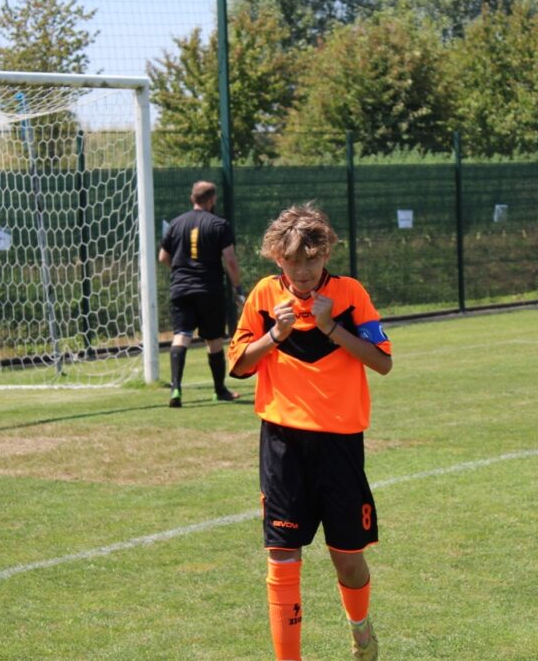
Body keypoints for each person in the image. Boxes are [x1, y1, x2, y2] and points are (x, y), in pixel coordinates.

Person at [227, 205, 392, 661]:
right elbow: (237, 366)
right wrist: (274, 335)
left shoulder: (350, 294)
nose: (302, 271)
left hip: (340, 444)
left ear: (325, 255)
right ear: (277, 258)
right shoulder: (264, 296)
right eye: (292, 261)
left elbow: (382, 362)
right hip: (282, 444)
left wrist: (330, 327)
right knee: (282, 555)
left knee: (348, 560)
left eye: (311, 260)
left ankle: (361, 631)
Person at [159, 180, 245, 407]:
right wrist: (238, 288)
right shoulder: (219, 224)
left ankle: (176, 388)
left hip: (181, 288)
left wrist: (180, 271)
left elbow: (163, 257)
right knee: (214, 339)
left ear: (192, 199)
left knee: (181, 335)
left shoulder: (176, 223)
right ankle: (220, 390)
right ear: (212, 199)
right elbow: (230, 260)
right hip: (209, 289)